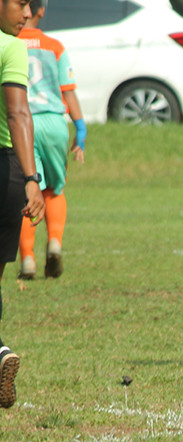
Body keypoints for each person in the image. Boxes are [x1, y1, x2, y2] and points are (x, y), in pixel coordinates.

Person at [17, 0, 86, 280]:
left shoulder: (9, 44)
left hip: (24, 122)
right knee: (55, 190)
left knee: (28, 189)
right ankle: (55, 242)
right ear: (41, 10)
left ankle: (28, 260)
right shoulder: (55, 47)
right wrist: (80, 127)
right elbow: (67, 91)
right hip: (55, 123)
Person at [0, 0, 45, 409]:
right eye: (19, 2)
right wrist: (32, 178)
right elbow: (17, 112)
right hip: (6, 172)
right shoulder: (11, 48)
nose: (27, 12)